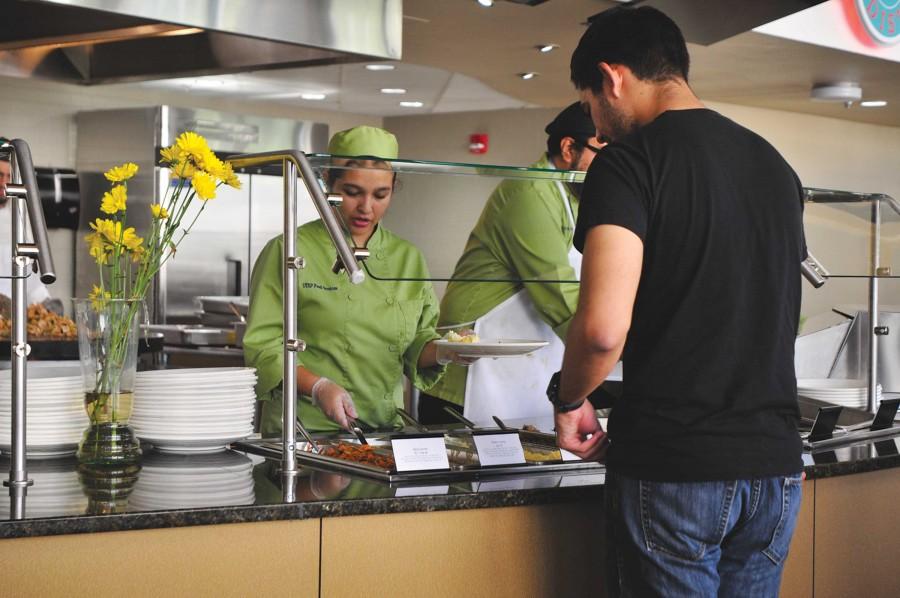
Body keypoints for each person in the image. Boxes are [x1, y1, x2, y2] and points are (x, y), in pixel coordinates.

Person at [552, 6, 805, 596]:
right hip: (774, 467)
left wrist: (569, 397)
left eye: (591, 106)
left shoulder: (627, 164)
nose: (599, 126)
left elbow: (601, 331)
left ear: (612, 78)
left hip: (677, 465)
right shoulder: (776, 165)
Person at [244, 126, 471, 434]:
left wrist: (448, 350)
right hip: (304, 431)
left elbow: (417, 342)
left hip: (382, 431)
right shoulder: (289, 250)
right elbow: (263, 348)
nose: (366, 207)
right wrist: (317, 387)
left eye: (381, 195)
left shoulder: (408, 257)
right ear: (327, 181)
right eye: (352, 193)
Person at [420, 103, 604, 426]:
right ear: (568, 147)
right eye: (602, 152)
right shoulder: (529, 192)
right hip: (467, 386)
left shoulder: (574, 199)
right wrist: (612, 351)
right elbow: (560, 297)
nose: (608, 166)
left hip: (519, 378)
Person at [0, 152, 52, 311]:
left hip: (14, 320)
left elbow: (30, 277)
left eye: (9, 176)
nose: (4, 183)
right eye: (0, 175)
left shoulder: (18, 219)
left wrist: (46, 304)